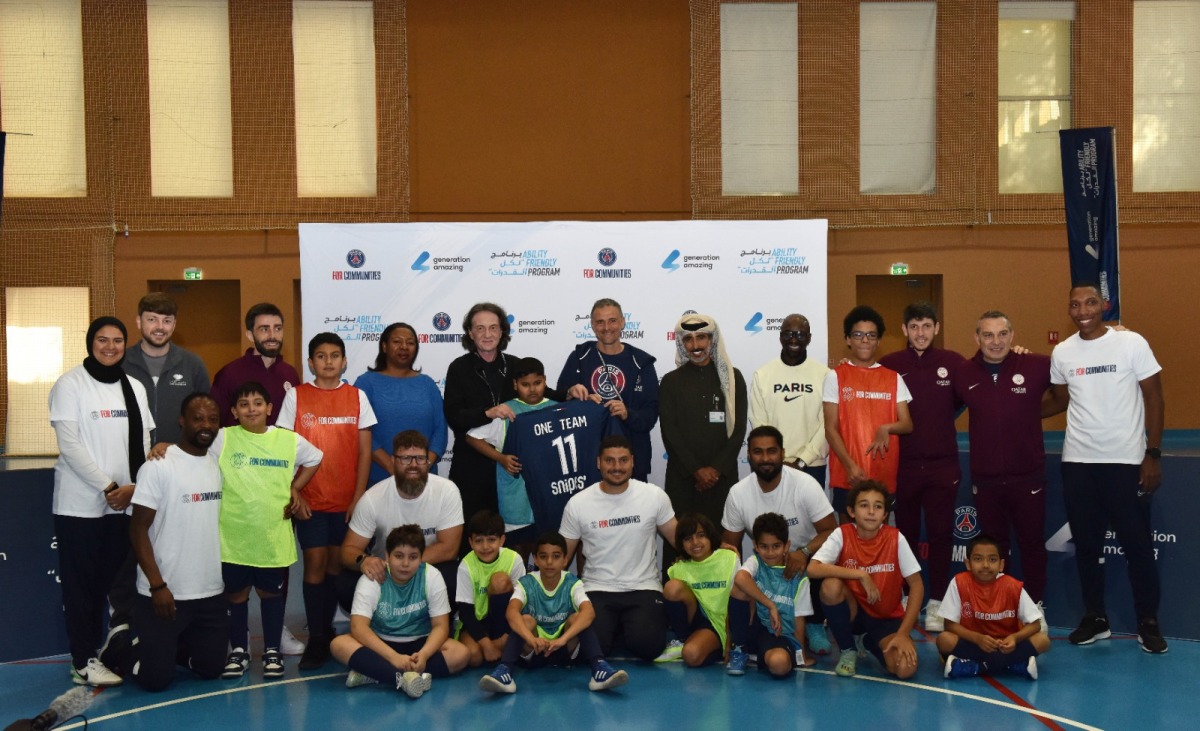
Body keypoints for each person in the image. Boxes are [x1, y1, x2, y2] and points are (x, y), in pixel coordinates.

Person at [1045, 283, 1167, 654]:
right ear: (1069, 310)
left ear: (1105, 305)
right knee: (1086, 547)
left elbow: (1154, 396)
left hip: (1125, 462)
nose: (1083, 310)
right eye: (1075, 304)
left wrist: (1153, 453)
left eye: (1091, 302)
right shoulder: (1063, 352)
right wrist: (1006, 412)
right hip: (1079, 463)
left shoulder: (1132, 344)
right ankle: (1095, 617)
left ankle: (1148, 622)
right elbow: (1059, 400)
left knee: (1139, 548)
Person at [49, 316, 154, 686]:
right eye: (102, 339)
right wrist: (109, 486)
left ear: (126, 344)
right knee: (80, 585)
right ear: (90, 342)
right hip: (80, 505)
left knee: (106, 584)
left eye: (117, 340)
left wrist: (133, 489)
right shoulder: (70, 385)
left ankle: (102, 650)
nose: (110, 346)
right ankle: (82, 661)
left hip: (123, 504)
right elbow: (70, 446)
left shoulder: (135, 388)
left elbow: (142, 444)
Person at [275, 332, 377, 670]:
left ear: (344, 361)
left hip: (347, 501)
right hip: (310, 500)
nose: (328, 361)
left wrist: (359, 496)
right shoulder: (296, 397)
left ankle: (330, 631)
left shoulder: (357, 396)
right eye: (321, 356)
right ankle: (317, 637)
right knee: (315, 565)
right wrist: (295, 491)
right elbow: (284, 450)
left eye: (335, 355)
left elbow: (364, 451)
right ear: (311, 362)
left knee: (336, 565)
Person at [213, 381, 322, 680]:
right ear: (234, 411)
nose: (251, 409)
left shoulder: (288, 441)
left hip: (272, 536)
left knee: (270, 595)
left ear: (270, 408)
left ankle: (272, 650)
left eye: (258, 403)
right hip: (233, 535)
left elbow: (316, 458)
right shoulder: (223, 438)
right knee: (236, 596)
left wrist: (294, 488)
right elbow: (191, 449)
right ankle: (239, 650)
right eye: (244, 404)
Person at [444, 302, 568, 548]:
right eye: (480, 328)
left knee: (513, 541)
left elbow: (543, 395)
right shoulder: (459, 368)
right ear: (470, 333)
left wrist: (571, 396)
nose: (487, 334)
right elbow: (454, 416)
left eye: (493, 327)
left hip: (514, 473)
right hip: (472, 468)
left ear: (502, 332)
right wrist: (487, 412)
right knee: (474, 537)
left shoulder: (514, 364)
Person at [127, 393, 229, 692]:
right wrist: (157, 585)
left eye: (212, 419)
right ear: (182, 421)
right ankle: (123, 649)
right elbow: (137, 530)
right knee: (155, 681)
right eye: (198, 418)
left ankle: (170, 646)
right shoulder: (158, 466)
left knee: (211, 670)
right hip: (164, 593)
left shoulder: (218, 462)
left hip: (209, 591)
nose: (205, 425)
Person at [954, 311, 1052, 608]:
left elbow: (1071, 380)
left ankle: (1034, 607)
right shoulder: (963, 373)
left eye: (1002, 334)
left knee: (1032, 545)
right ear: (977, 338)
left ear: (1012, 335)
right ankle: (999, 607)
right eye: (988, 335)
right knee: (994, 549)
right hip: (986, 481)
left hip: (1028, 477)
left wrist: (1117, 334)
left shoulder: (1036, 365)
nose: (995, 341)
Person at [878, 301, 964, 631]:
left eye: (927, 326)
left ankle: (938, 603)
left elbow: (962, 400)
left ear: (937, 328)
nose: (920, 333)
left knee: (942, 534)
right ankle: (904, 595)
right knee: (906, 535)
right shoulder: (890, 365)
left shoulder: (953, 363)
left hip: (943, 465)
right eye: (914, 326)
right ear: (904, 330)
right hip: (905, 466)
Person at [468, 357, 613, 552]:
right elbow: (472, 437)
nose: (532, 389)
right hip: (518, 499)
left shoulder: (558, 408)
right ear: (515, 385)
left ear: (545, 380)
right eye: (525, 384)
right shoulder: (507, 412)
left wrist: (590, 405)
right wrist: (500, 458)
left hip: (552, 497)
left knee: (554, 551)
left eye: (537, 383)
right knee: (519, 551)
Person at [560, 435, 678, 662]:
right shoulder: (578, 503)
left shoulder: (654, 496)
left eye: (623, 460)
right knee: (592, 651)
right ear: (598, 463)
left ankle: (625, 628)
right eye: (610, 461)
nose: (616, 467)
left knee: (648, 648)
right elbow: (561, 557)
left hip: (644, 587)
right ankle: (615, 628)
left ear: (633, 461)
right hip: (597, 588)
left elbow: (680, 540)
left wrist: (717, 551)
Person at [721, 425, 836, 654]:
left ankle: (813, 623)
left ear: (782, 453)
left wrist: (803, 553)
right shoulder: (738, 493)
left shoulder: (804, 484)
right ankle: (745, 634)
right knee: (739, 580)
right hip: (767, 569)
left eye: (771, 451)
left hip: (805, 563)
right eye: (758, 452)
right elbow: (730, 548)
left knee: (817, 568)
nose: (765, 458)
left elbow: (831, 531)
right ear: (749, 455)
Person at [480, 532, 629, 694]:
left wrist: (562, 640)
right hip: (533, 651)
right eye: (543, 556)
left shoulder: (573, 583)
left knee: (579, 618)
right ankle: (505, 671)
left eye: (556, 556)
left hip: (565, 649)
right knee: (526, 619)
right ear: (535, 560)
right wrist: (533, 639)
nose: (549, 562)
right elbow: (511, 613)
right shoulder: (526, 583)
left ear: (565, 560)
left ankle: (599, 669)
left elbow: (589, 613)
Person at [332, 524, 469, 697]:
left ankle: (376, 673)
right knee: (338, 645)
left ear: (421, 558)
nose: (405, 563)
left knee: (461, 653)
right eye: (398, 556)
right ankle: (403, 679)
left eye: (413, 557)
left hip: (419, 642)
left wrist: (425, 655)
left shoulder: (431, 576)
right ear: (387, 556)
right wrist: (392, 657)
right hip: (381, 644)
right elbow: (359, 628)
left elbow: (441, 626)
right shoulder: (373, 579)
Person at [808, 480, 923, 679]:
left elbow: (917, 586)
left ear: (885, 514)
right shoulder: (842, 534)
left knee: (905, 669)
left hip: (886, 618)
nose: (871, 511)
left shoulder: (895, 538)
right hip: (854, 614)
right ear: (851, 511)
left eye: (878, 506)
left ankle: (870, 641)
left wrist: (903, 633)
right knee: (830, 586)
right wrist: (861, 574)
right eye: (864, 505)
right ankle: (848, 649)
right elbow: (813, 569)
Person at [658, 312, 747, 568]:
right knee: (681, 545)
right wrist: (696, 470)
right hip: (683, 480)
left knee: (722, 543)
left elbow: (739, 429)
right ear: (681, 344)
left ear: (713, 339)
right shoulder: (671, 382)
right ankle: (677, 603)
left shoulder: (732, 378)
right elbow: (670, 433)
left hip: (722, 479)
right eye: (689, 340)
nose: (696, 346)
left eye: (702, 338)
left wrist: (715, 470)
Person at [341, 430, 464, 605]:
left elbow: (449, 549)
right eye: (405, 458)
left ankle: (436, 623)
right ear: (393, 461)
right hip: (384, 570)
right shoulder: (372, 498)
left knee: (456, 576)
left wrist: (403, 565)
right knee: (346, 584)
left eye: (420, 458)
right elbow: (348, 550)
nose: (413, 465)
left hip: (425, 567)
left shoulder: (447, 491)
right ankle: (380, 624)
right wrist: (365, 561)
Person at [822, 306, 913, 520]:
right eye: (858, 334)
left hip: (884, 476)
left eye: (871, 335)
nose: (865, 340)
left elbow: (907, 424)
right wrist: (850, 466)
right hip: (848, 475)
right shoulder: (835, 376)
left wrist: (887, 427)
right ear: (848, 339)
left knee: (882, 540)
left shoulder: (893, 378)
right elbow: (830, 428)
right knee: (848, 540)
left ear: (879, 341)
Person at [558, 298, 659, 482]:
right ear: (592, 325)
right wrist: (571, 394)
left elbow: (650, 417)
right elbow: (559, 407)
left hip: (631, 459)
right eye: (600, 322)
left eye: (612, 321)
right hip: (588, 458)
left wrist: (627, 413)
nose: (606, 327)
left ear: (622, 322)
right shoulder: (580, 357)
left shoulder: (642, 362)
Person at [937, 534, 1050, 680]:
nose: (985, 565)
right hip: (975, 643)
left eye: (992, 560)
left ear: (1001, 564)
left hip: (1006, 645)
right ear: (968, 563)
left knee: (1043, 640)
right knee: (943, 640)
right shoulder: (959, 582)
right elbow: (949, 625)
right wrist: (977, 638)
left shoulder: (1012, 586)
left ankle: (976, 666)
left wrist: (1014, 638)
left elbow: (1035, 625)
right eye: (978, 559)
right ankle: (1012, 664)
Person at [353, 322, 447, 484]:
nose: (404, 347)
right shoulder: (366, 383)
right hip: (380, 478)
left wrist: (425, 465)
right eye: (397, 342)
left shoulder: (427, 384)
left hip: (424, 479)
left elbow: (440, 430)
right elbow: (359, 430)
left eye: (410, 343)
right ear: (384, 346)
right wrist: (391, 466)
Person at [727, 512, 816, 678]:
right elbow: (740, 578)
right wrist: (770, 604)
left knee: (779, 665)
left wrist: (801, 655)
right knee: (740, 588)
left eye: (776, 546)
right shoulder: (755, 562)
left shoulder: (798, 576)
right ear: (755, 545)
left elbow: (799, 619)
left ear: (786, 545)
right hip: (755, 628)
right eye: (764, 547)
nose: (770, 552)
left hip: (779, 634)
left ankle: (761, 655)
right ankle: (740, 649)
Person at [748, 313, 830, 486]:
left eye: (800, 334)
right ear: (780, 337)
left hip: (811, 466)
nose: (794, 339)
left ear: (809, 338)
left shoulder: (825, 375)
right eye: (788, 334)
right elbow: (759, 423)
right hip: (770, 465)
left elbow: (828, 425)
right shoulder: (763, 375)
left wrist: (802, 461)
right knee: (769, 514)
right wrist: (775, 458)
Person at [122, 292, 211, 445]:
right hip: (129, 459)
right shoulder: (121, 363)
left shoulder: (192, 364)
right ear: (138, 322)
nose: (160, 327)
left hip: (179, 459)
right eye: (152, 319)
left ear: (174, 324)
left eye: (167, 321)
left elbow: (206, 416)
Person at [658, 513, 739, 667]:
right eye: (688, 539)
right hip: (695, 621)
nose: (695, 543)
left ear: (710, 536)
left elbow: (735, 602)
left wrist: (730, 639)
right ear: (681, 544)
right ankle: (683, 639)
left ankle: (713, 647)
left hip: (719, 624)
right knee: (672, 587)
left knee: (691, 655)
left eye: (700, 535)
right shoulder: (678, 567)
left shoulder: (729, 559)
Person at [211, 302, 299, 428]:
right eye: (264, 329)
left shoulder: (290, 374)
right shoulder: (229, 374)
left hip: (282, 447)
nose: (272, 335)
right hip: (239, 447)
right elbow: (214, 422)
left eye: (277, 328)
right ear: (250, 335)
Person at [455, 510, 525, 668]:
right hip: (477, 624)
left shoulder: (514, 559)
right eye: (479, 541)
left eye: (491, 540)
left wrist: (505, 636)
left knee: (499, 581)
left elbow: (521, 603)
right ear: (471, 542)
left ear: (502, 540)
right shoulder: (466, 566)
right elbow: (466, 613)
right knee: (473, 656)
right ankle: (495, 648)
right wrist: (486, 644)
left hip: (505, 623)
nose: (485, 547)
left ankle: (502, 642)